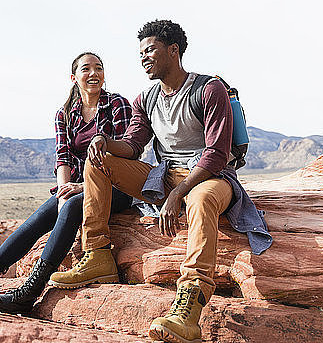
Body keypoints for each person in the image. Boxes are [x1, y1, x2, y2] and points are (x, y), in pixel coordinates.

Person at [49, 21, 271, 343]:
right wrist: (103, 142)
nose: (143, 58)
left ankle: (189, 308)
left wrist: (178, 193)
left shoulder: (209, 90)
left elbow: (217, 154)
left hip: (210, 178)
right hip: (165, 177)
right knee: (98, 165)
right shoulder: (146, 98)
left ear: (173, 51)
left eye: (150, 50)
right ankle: (98, 254)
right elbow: (133, 146)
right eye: (140, 53)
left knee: (201, 200)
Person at [0, 52, 134, 314]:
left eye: (99, 68)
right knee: (38, 219)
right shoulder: (65, 113)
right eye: (86, 69)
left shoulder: (117, 105)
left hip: (116, 187)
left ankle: (30, 291)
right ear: (74, 77)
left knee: (71, 206)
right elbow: (63, 157)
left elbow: (126, 152)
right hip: (77, 187)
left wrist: (82, 189)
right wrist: (64, 193)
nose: (94, 73)